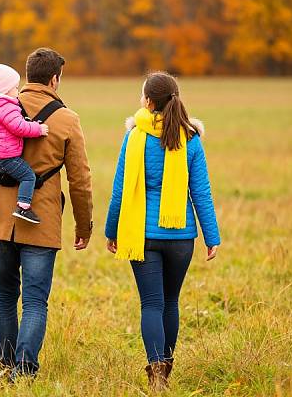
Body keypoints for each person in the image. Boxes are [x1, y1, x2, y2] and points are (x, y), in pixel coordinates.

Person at [0, 47, 93, 382]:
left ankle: (4, 364)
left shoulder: (1, 105)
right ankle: (24, 369)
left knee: (4, 294)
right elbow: (80, 180)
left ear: (28, 75)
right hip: (41, 221)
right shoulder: (67, 119)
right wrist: (83, 225)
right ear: (55, 79)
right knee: (35, 301)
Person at [105, 71, 221, 393]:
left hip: (142, 234)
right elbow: (201, 192)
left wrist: (111, 230)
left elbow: (120, 191)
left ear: (148, 101)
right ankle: (166, 367)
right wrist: (211, 237)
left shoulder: (134, 137)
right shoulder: (191, 139)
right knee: (171, 301)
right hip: (181, 236)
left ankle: (156, 370)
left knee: (151, 304)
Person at [0, 60, 49, 225]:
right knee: (28, 176)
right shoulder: (6, 107)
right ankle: (23, 206)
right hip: (5, 157)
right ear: (6, 90)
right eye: (15, 88)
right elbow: (19, 127)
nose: (17, 91)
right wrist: (38, 129)